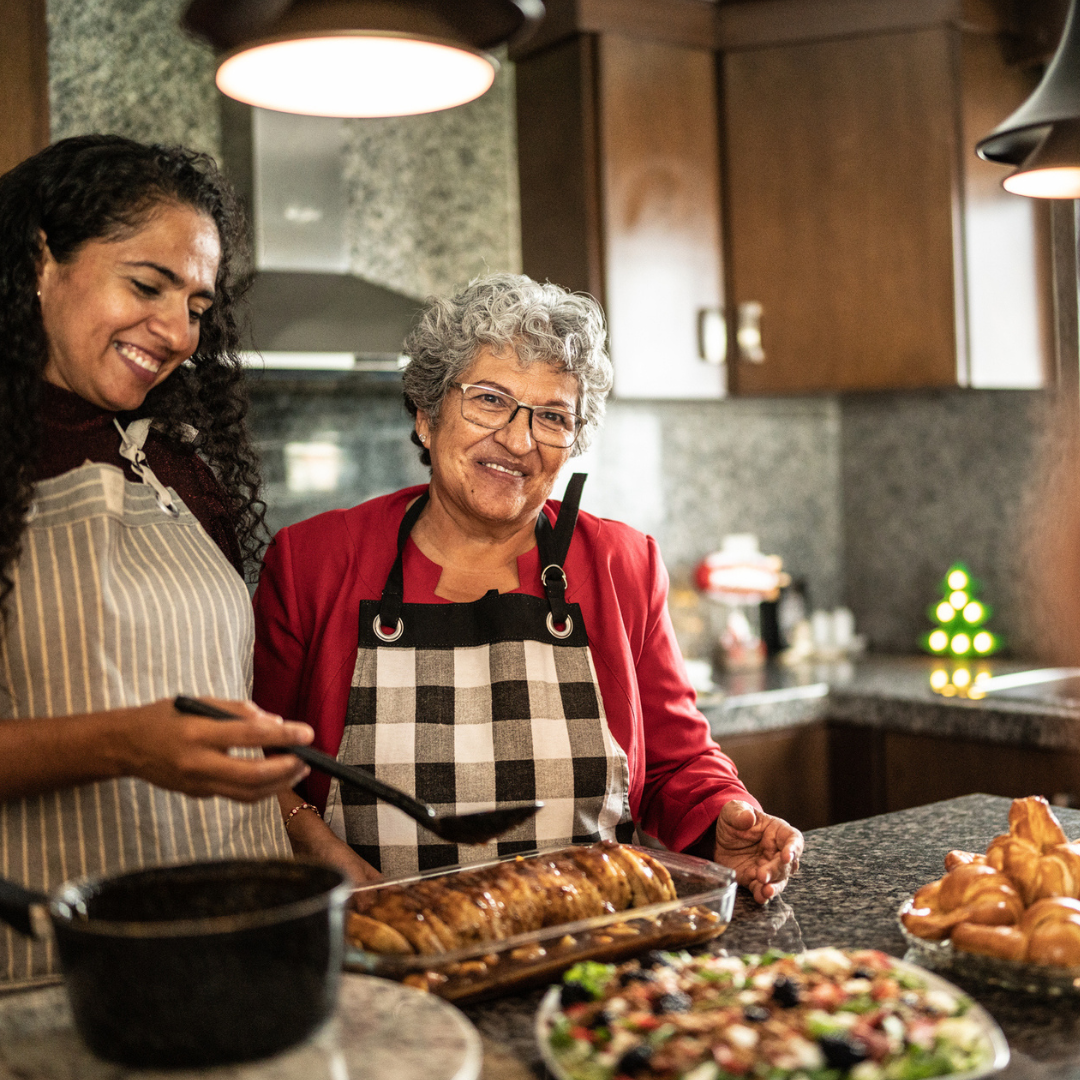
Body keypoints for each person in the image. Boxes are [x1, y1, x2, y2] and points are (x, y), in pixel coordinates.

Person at [253, 273, 803, 900]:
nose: (518, 441)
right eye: (490, 400)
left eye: (552, 416)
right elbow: (258, 763)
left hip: (590, 933)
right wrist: (322, 854)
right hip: (382, 935)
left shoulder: (622, 563)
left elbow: (678, 762)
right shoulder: (313, 562)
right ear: (427, 414)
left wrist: (726, 814)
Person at [0, 134, 322, 987]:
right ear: (40, 261)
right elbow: (149, 738)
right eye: (146, 285)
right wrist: (122, 744)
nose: (179, 331)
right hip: (51, 970)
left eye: (198, 305)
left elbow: (222, 723)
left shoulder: (178, 464)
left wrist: (320, 848)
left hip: (238, 943)